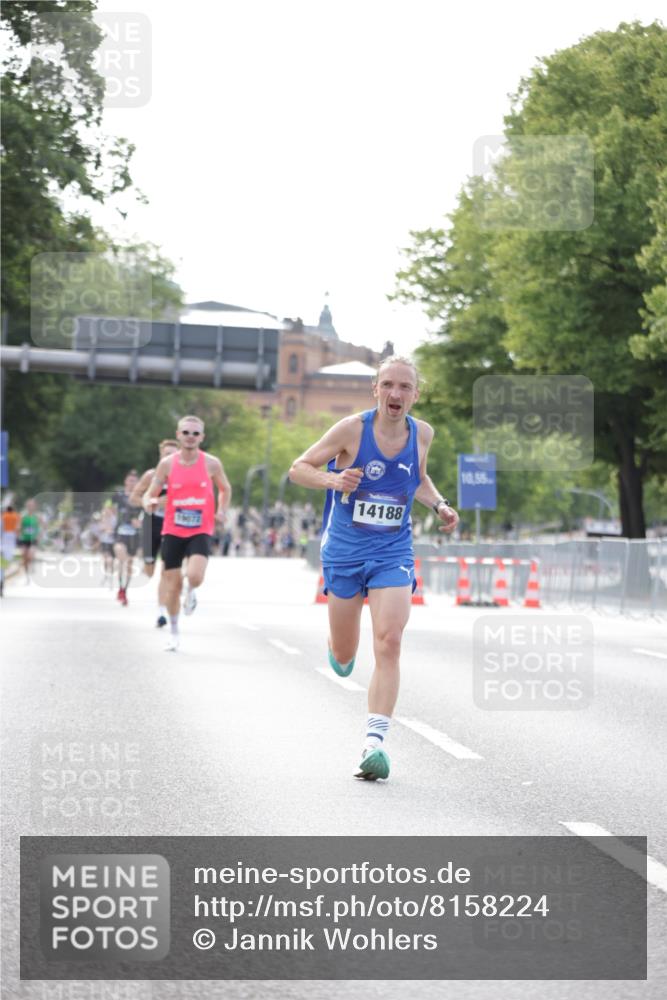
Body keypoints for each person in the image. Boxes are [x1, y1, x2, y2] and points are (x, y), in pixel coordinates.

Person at [289, 356, 459, 781]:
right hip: (344, 553)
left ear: (415, 395)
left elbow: (417, 479)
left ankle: (374, 743)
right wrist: (334, 480)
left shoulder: (423, 433)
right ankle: (337, 644)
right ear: (375, 390)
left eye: (404, 387)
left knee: (390, 640)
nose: (395, 394)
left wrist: (439, 504)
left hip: (392, 551)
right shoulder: (351, 429)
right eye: (388, 385)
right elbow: (299, 469)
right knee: (345, 656)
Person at [142, 415, 231, 651]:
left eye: (195, 433)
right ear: (178, 434)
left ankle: (192, 591)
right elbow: (151, 491)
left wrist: (221, 510)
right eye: (186, 433)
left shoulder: (211, 463)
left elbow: (225, 488)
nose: (190, 437)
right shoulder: (167, 464)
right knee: (172, 586)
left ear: (202, 437)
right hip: (172, 529)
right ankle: (174, 632)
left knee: (194, 576)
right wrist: (148, 502)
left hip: (200, 528)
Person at [130, 439, 179, 627]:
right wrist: (152, 502)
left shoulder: (182, 477)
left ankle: (161, 611)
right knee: (150, 570)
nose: (169, 458)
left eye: (173, 455)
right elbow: (134, 497)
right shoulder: (151, 476)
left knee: (167, 571)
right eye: (166, 454)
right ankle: (147, 563)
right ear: (161, 456)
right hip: (152, 523)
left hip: (173, 524)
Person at [112, 470, 140, 606]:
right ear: (125, 482)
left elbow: (147, 514)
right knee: (122, 558)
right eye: (130, 481)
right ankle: (120, 587)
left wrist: (139, 522)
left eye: (134, 481)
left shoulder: (141, 497)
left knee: (129, 564)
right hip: (120, 533)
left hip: (134, 535)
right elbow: (109, 509)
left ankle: (124, 590)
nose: (132, 483)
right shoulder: (118, 495)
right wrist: (107, 524)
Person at [17, 498, 40, 581]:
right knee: (24, 557)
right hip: (24, 539)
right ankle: (27, 574)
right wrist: (19, 531)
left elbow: (41, 527)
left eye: (32, 505)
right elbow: (19, 527)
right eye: (29, 505)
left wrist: (39, 536)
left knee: (30, 555)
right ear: (26, 506)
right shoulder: (23, 516)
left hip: (33, 539)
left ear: (34, 507)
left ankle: (32, 564)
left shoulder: (37, 517)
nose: (30, 507)